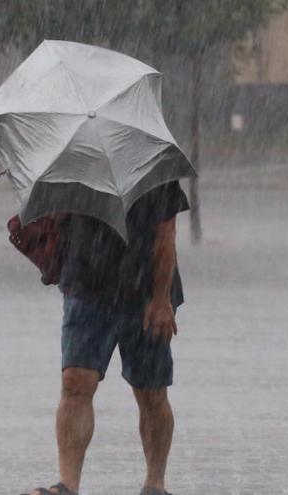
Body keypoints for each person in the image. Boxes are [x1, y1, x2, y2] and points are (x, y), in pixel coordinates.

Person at [23, 180, 190, 495]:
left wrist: (160, 299)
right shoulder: (78, 162)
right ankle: (67, 485)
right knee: (75, 382)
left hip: (145, 293)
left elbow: (166, 233)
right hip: (85, 283)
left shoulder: (154, 168)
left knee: (151, 391)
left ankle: (155, 484)